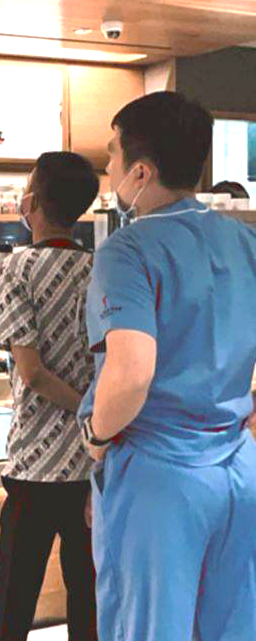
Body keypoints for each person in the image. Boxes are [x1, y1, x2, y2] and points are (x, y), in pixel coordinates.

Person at [78, 91, 256, 641]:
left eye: (111, 155)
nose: (107, 168)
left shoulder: (127, 251)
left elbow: (131, 372)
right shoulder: (245, 241)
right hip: (238, 471)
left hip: (160, 477)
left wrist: (95, 435)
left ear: (140, 171)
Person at [0, 152, 99, 641]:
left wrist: (81, 407)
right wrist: (95, 414)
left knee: (13, 595)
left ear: (31, 201)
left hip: (34, 464)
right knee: (88, 592)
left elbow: (30, 373)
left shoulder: (17, 268)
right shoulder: (101, 268)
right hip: (91, 462)